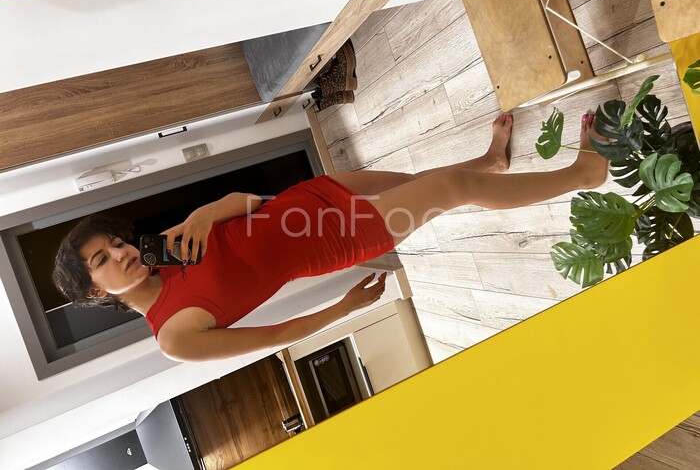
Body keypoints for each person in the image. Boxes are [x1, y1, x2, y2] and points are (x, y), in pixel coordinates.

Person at [53, 113, 606, 362]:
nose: (121, 252)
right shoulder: (174, 336)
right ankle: (584, 175)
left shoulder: (165, 247)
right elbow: (276, 335)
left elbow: (252, 204)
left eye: (114, 243)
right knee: (449, 189)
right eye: (103, 259)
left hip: (309, 200)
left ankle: (492, 161)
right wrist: (343, 307)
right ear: (97, 292)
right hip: (333, 239)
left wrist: (204, 212)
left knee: (415, 181)